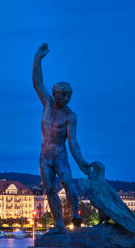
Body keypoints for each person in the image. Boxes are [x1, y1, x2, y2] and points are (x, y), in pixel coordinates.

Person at [33, 42, 91, 231]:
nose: (66, 98)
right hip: (44, 155)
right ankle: (59, 224)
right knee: (49, 189)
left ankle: (75, 213)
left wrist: (82, 163)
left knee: (67, 182)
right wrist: (37, 59)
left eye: (69, 95)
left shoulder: (70, 116)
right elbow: (37, 83)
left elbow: (73, 143)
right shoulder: (47, 104)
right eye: (63, 95)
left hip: (60, 154)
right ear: (55, 94)